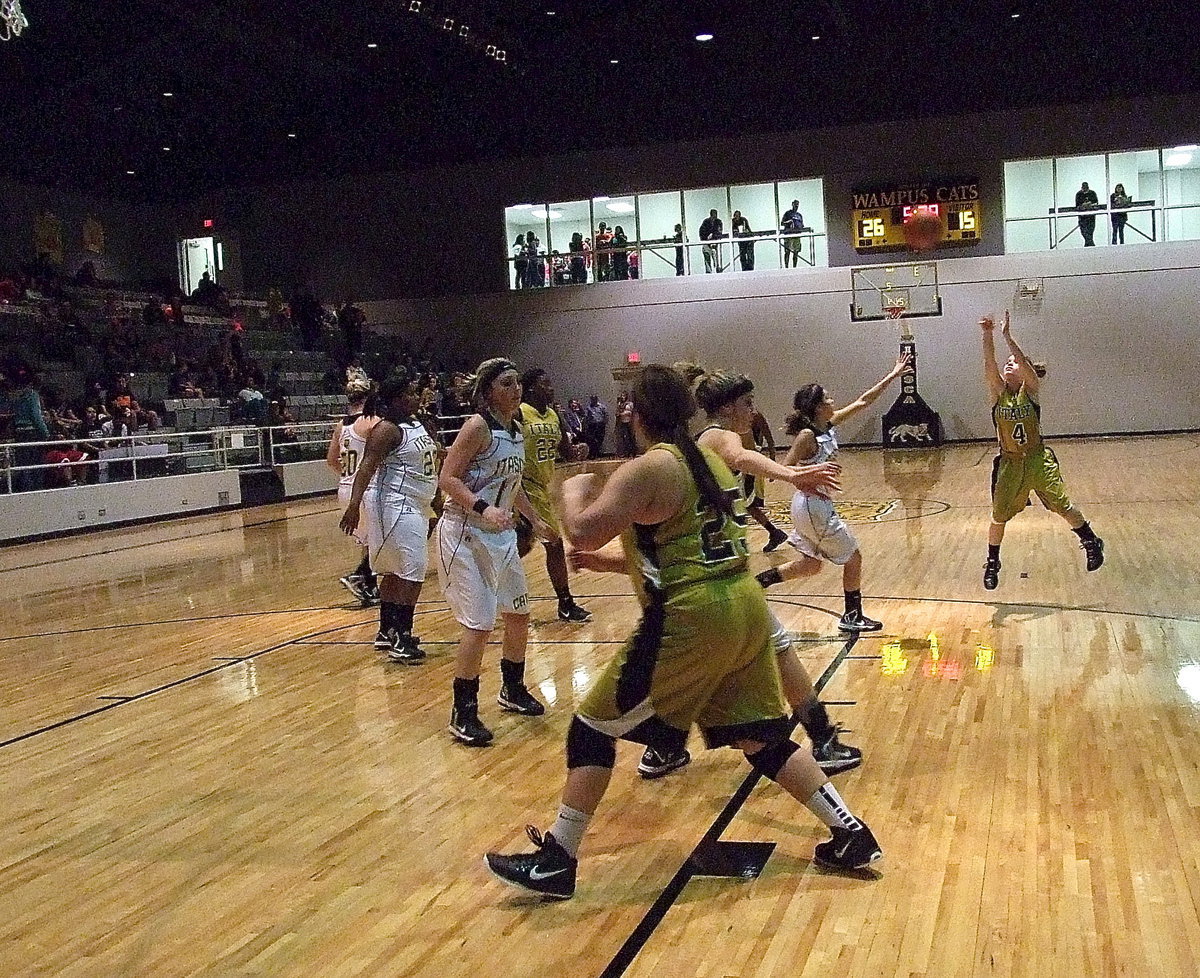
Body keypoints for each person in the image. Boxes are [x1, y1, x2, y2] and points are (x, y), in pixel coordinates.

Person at [484, 365, 882, 900]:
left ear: (636, 413)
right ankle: (850, 832)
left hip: (691, 621)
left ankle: (558, 859)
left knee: (591, 729)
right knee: (762, 737)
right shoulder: (709, 464)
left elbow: (581, 527)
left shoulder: (649, 468)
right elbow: (681, 547)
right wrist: (607, 565)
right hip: (742, 608)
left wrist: (573, 488)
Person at [690, 369, 863, 778]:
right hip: (707, 579)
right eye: (748, 404)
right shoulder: (717, 436)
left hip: (724, 573)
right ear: (730, 407)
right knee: (685, 673)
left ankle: (821, 738)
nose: (754, 411)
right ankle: (655, 741)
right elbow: (737, 455)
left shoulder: (711, 442)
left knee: (773, 652)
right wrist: (793, 474)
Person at [437, 357, 553, 746]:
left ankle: (512, 689)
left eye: (518, 383)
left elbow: (512, 482)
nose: (516, 390)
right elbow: (447, 478)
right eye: (506, 384)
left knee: (519, 615)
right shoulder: (477, 426)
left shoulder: (515, 429)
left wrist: (534, 520)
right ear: (488, 391)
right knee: (480, 625)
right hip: (465, 534)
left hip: (500, 537)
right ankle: (463, 711)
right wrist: (484, 508)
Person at [757, 353, 912, 633]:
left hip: (813, 507)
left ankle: (759, 583)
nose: (832, 401)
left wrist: (893, 374)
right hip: (812, 506)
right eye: (827, 399)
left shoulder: (826, 425)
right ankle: (852, 617)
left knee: (810, 566)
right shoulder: (807, 436)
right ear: (817, 407)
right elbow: (780, 469)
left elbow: (864, 401)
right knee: (854, 557)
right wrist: (802, 479)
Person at [980, 312, 1103, 589]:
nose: (1009, 364)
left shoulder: (1031, 391)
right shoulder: (999, 394)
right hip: (1010, 463)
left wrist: (1007, 338)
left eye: (1014, 363)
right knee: (999, 516)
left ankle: (1091, 540)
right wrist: (987, 334)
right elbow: (989, 365)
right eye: (1007, 363)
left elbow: (1024, 363)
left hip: (1037, 458)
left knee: (1062, 505)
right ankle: (992, 563)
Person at [340, 372, 441, 662]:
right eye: (408, 393)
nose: (415, 397)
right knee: (413, 571)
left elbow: (427, 462)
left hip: (417, 504)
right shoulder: (386, 429)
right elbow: (366, 467)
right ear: (395, 400)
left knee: (397, 572)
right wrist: (353, 506)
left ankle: (386, 631)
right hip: (396, 504)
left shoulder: (416, 423)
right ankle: (403, 636)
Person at [518, 368, 592, 623]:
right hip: (519, 484)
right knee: (554, 544)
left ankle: (486, 585)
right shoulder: (519, 412)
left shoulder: (554, 416)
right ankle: (566, 603)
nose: (550, 388)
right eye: (544, 384)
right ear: (529, 389)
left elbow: (568, 453)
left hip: (541, 486)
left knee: (520, 546)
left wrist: (580, 449)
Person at [327, 368, 381, 605]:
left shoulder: (342, 425)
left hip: (344, 487)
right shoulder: (371, 421)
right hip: (365, 488)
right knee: (380, 538)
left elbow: (331, 460)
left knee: (368, 540)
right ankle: (358, 575)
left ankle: (369, 587)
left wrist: (349, 476)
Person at [781, 199, 805, 268]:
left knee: (796, 252)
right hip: (788, 235)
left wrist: (801, 227)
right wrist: (789, 222)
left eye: (797, 205)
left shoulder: (799, 215)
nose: (796, 206)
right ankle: (786, 267)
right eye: (795, 205)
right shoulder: (788, 213)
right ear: (792, 204)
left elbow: (802, 225)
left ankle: (795, 267)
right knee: (787, 252)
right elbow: (782, 223)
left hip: (796, 236)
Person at [699, 209, 723, 273]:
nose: (715, 216)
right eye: (714, 214)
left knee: (716, 258)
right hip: (706, 242)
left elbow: (719, 232)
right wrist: (707, 238)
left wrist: (714, 237)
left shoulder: (718, 222)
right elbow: (701, 232)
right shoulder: (706, 222)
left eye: (716, 214)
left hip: (715, 243)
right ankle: (708, 272)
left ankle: (718, 270)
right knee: (707, 257)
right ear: (711, 214)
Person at [1075, 181, 1099, 246]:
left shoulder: (1092, 193)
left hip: (1091, 216)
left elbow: (1096, 203)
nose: (1085, 189)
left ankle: (1089, 245)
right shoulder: (1079, 194)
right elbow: (1077, 206)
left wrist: (1090, 204)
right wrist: (1083, 205)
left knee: (1090, 232)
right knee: (1084, 232)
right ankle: (1091, 245)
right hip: (1082, 217)